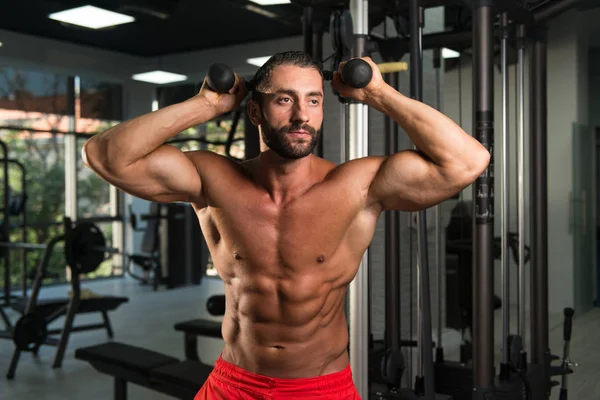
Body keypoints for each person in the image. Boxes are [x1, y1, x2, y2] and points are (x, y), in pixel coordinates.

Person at [82, 51, 490, 399]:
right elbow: (106, 156)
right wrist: (206, 105)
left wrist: (377, 93)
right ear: (255, 111)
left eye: (313, 101)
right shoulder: (211, 179)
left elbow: (468, 162)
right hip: (234, 382)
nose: (301, 115)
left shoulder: (357, 186)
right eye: (284, 100)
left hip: (319, 387)